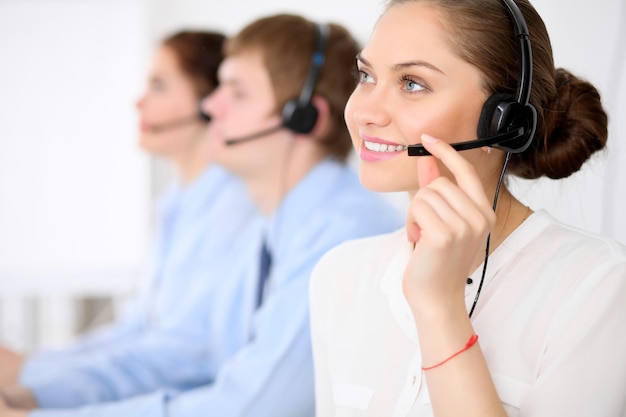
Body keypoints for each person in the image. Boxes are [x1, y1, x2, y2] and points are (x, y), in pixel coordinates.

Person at [0, 13, 403, 417]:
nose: (210, 105)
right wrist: (36, 395)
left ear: (303, 118)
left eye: (237, 92)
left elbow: (254, 406)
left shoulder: (340, 233)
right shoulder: (271, 227)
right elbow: (186, 357)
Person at [310, 0, 626, 416]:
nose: (364, 112)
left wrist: (439, 305)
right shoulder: (340, 275)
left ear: (504, 120)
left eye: (412, 83)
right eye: (366, 75)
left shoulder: (596, 286)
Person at [0, 29, 259, 409]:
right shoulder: (178, 202)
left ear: (209, 103)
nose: (139, 102)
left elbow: (184, 357)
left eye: (159, 86)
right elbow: (134, 334)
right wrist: (30, 366)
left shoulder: (236, 210)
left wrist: (31, 380)